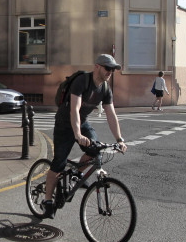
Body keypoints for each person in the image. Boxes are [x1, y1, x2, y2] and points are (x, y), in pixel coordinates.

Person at [42, 54, 127, 219]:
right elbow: (75, 108)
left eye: (113, 69)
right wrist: (77, 134)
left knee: (95, 151)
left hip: (82, 123)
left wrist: (119, 139)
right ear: (97, 67)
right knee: (58, 163)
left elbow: (111, 114)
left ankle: (76, 175)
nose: (110, 72)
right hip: (64, 124)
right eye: (108, 68)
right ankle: (47, 202)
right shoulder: (82, 81)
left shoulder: (105, 88)